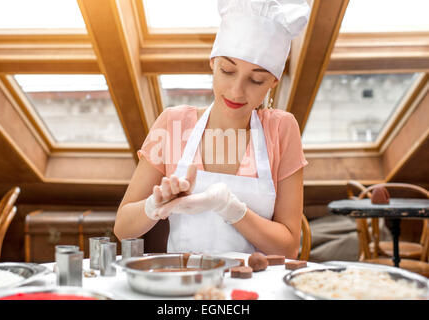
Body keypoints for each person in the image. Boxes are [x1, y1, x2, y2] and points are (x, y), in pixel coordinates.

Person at [114, 0, 310, 258]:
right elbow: (122, 228)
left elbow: (288, 248)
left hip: (254, 287)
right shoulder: (174, 124)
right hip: (183, 286)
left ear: (272, 81)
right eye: (227, 70)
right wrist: (155, 206)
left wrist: (232, 209)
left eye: (256, 79)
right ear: (213, 62)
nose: (236, 91)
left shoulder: (281, 129)